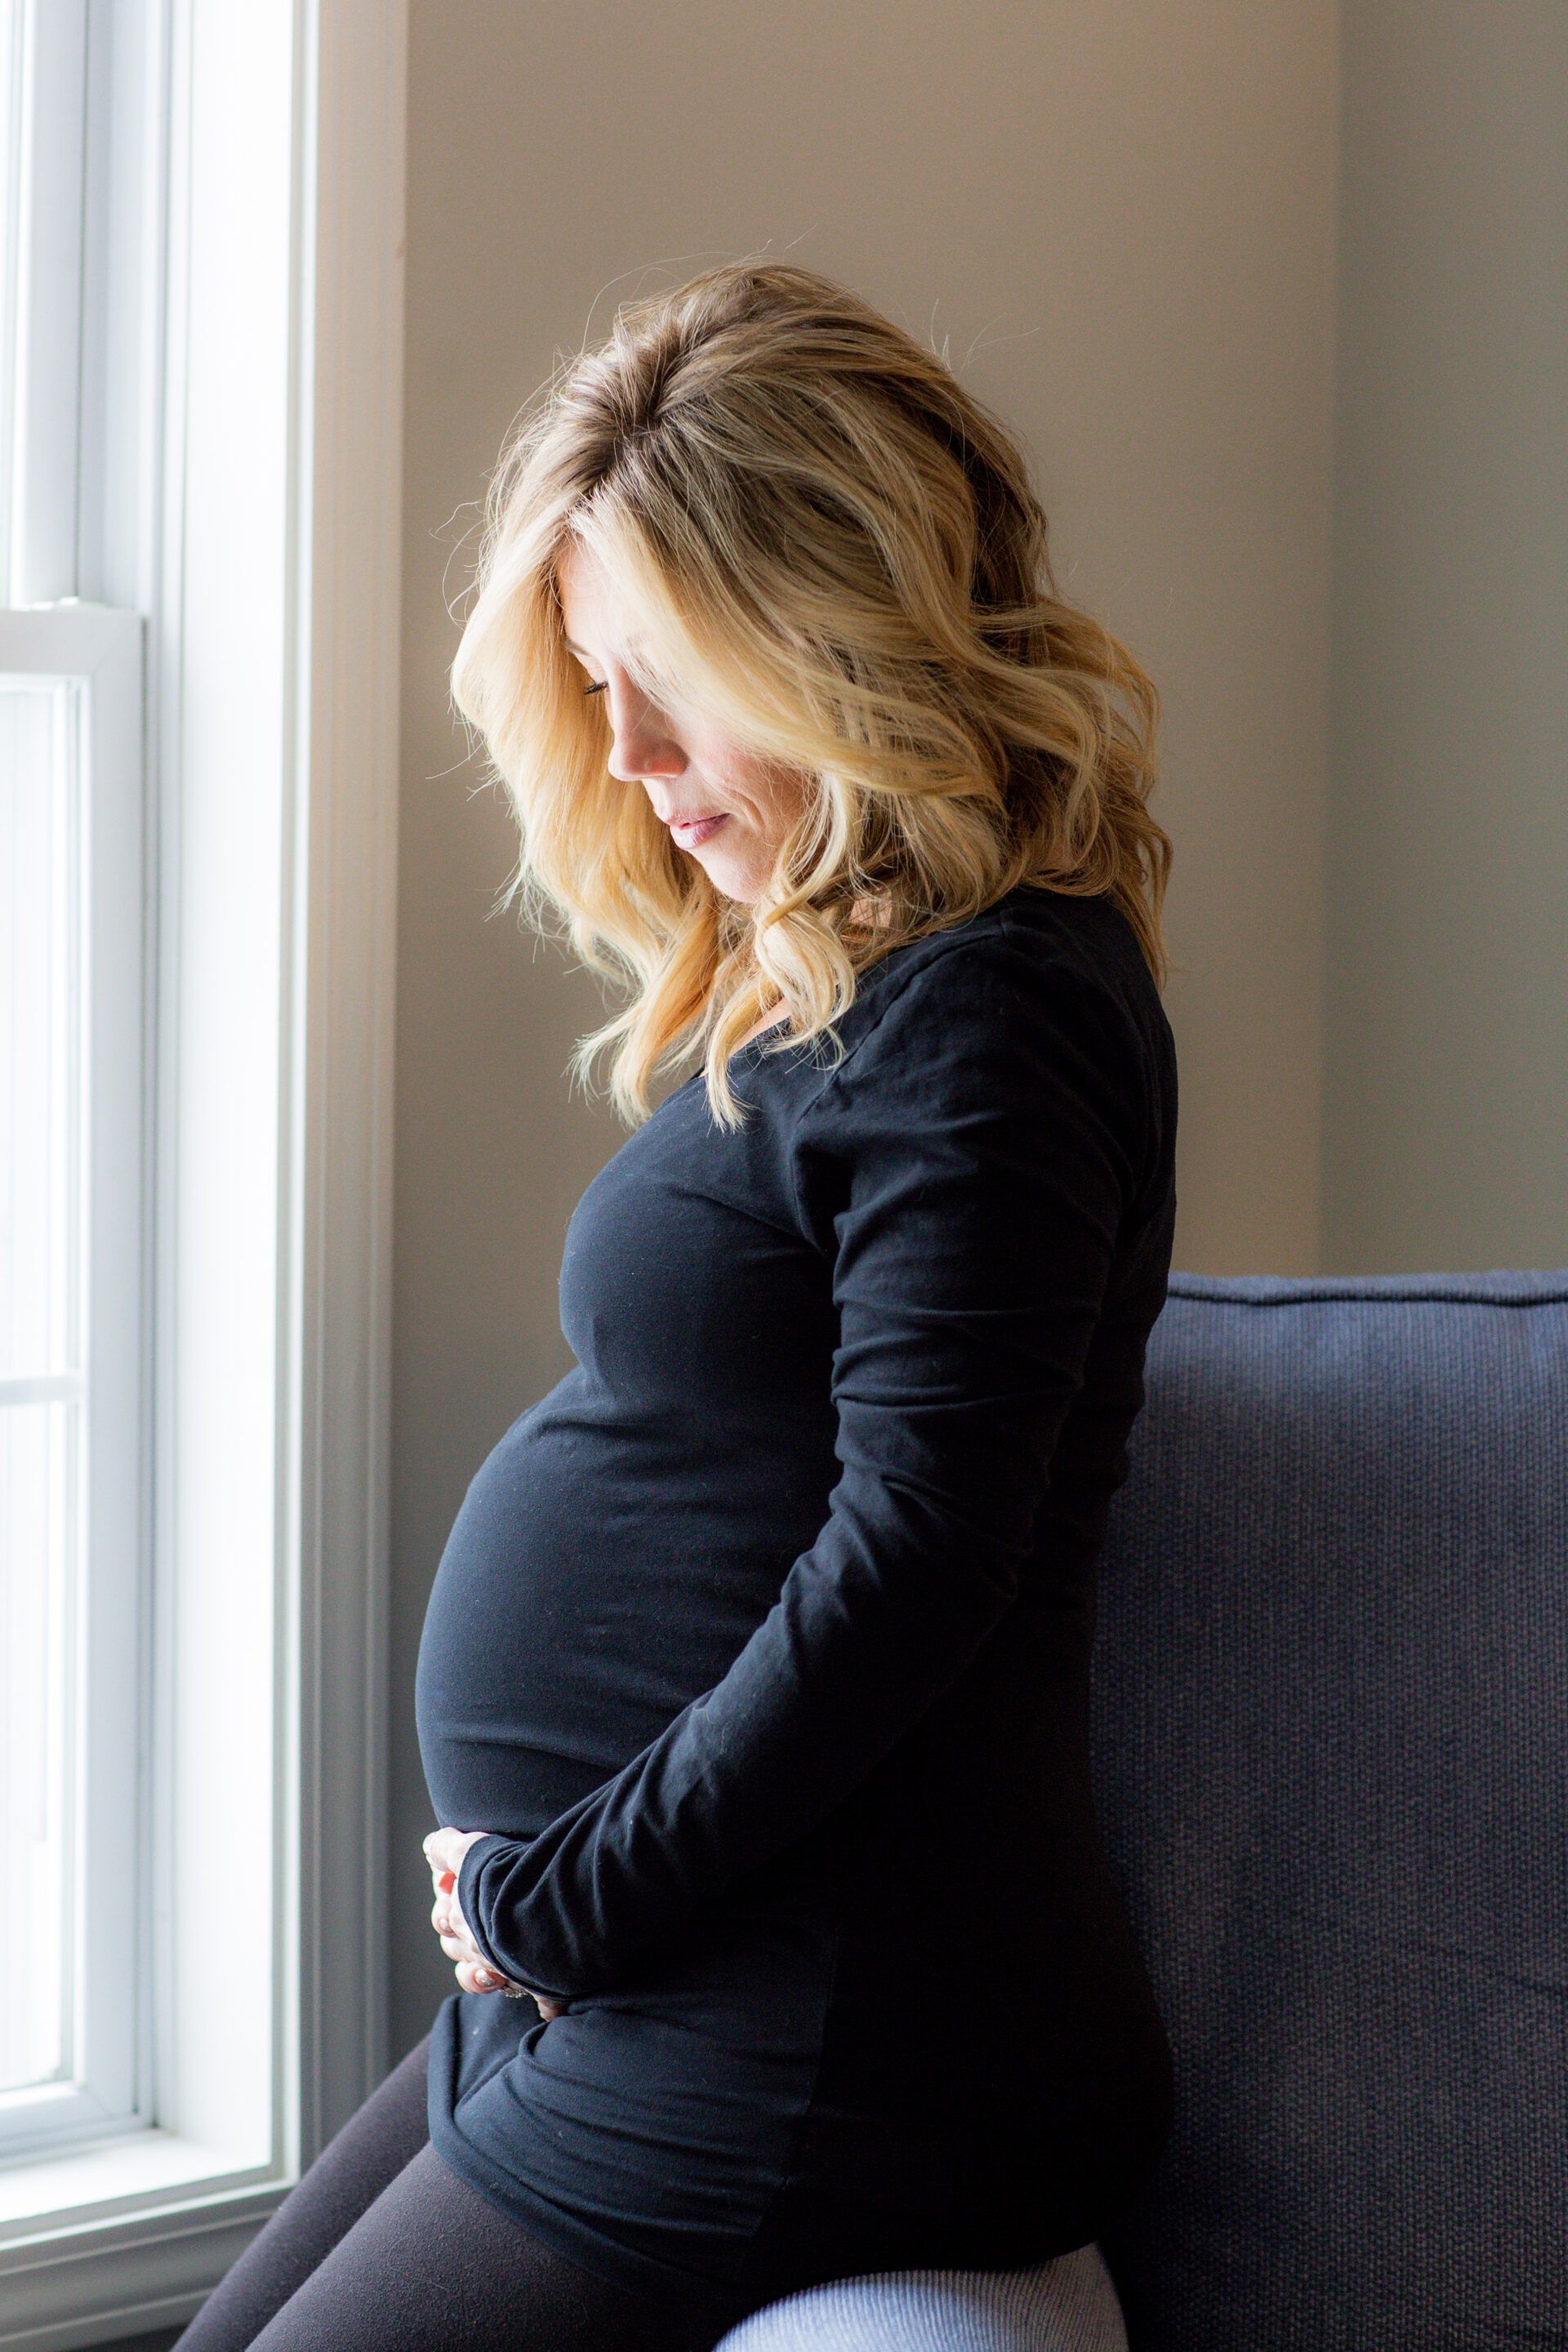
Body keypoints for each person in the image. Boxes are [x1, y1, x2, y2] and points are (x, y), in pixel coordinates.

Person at [174, 256, 1178, 2352]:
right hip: (673, 1976)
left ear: (840, 632)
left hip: (825, 2028)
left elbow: (924, 1559)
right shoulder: (876, 976)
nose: (622, 752)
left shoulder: (992, 1013)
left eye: (668, 673)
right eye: (589, 678)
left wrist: (565, 1897)